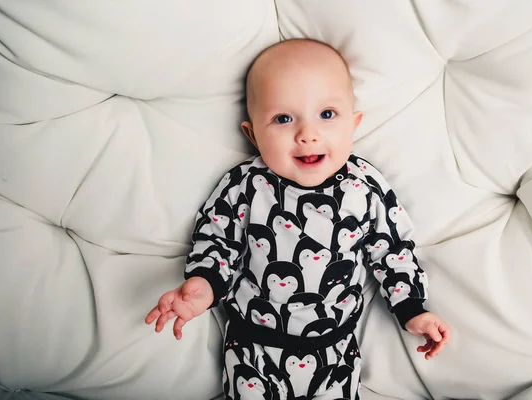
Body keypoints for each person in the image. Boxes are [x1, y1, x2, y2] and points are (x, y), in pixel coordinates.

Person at [145, 38, 450, 400]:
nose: (307, 134)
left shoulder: (363, 187)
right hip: (253, 348)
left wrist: (412, 309)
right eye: (283, 119)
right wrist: (204, 285)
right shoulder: (246, 185)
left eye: (327, 114)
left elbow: (392, 249)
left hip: (334, 351)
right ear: (253, 134)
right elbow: (216, 239)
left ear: (353, 124)